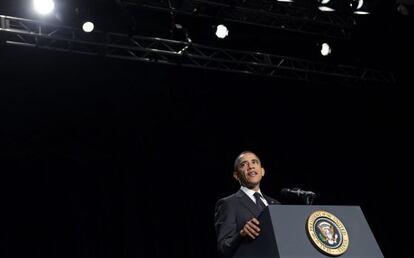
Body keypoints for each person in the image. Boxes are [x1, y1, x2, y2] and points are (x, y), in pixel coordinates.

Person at [214, 151, 280, 258]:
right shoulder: (228, 204)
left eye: (254, 162)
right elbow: (223, 247)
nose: (250, 167)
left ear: (262, 171)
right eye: (243, 164)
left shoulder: (275, 204)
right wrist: (241, 234)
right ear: (236, 175)